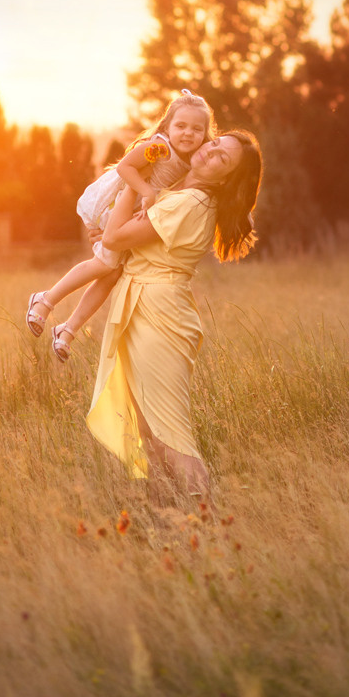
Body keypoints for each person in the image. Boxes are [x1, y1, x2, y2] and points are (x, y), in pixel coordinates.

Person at [85, 130, 262, 504]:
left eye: (222, 159)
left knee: (170, 434)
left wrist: (135, 179)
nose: (209, 152)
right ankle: (170, 521)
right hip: (145, 304)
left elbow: (115, 239)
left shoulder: (191, 203)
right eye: (215, 143)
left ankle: (208, 522)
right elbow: (123, 237)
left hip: (159, 315)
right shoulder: (180, 194)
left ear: (226, 178)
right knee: (149, 431)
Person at [25, 90, 214, 361]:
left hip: (138, 221)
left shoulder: (193, 162)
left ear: (206, 134)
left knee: (111, 274)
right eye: (181, 126)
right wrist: (146, 191)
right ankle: (45, 300)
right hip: (123, 208)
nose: (187, 133)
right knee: (103, 265)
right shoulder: (158, 147)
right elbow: (125, 167)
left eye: (197, 129)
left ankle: (67, 330)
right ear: (167, 125)